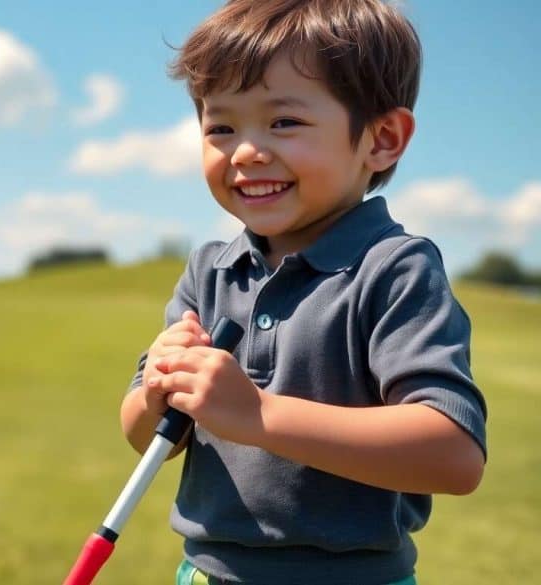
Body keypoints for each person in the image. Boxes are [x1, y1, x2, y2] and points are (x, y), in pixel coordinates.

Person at [120, 1, 488, 584]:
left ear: (382, 139)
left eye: (283, 122)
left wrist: (259, 414)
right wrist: (159, 390)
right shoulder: (211, 272)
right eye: (221, 127)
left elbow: (453, 454)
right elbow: (151, 441)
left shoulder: (394, 270)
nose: (245, 151)